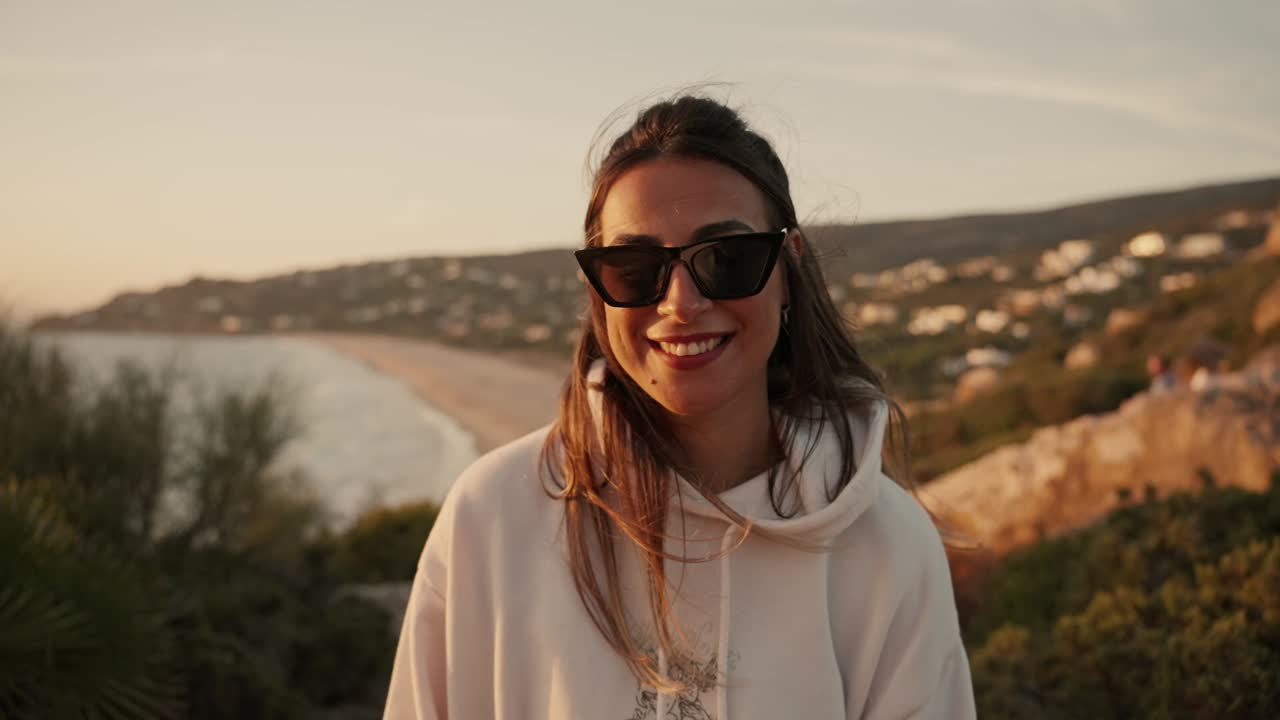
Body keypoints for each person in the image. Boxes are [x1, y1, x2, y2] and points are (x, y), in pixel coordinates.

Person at [384, 94, 975, 719]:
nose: (681, 302)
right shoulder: (494, 516)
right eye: (634, 268)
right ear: (597, 289)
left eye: (726, 259)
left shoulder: (885, 544)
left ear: (788, 267)